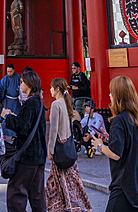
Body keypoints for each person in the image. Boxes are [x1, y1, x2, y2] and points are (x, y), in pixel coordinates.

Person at [84, 76, 138, 212]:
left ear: (118, 96)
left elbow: (116, 154)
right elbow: (128, 142)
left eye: (112, 92)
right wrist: (108, 139)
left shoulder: (119, 120)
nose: (109, 95)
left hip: (126, 186)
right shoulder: (137, 115)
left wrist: (99, 145)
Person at [2, 69, 47, 212]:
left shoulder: (29, 104)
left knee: (17, 193)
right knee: (37, 194)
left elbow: (21, 127)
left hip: (27, 155)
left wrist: (7, 117)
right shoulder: (39, 103)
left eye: (22, 82)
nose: (20, 84)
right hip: (39, 156)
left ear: (29, 83)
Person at [45, 78, 90, 211]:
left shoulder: (55, 104)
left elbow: (53, 130)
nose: (50, 90)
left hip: (59, 146)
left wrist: (50, 149)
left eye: (52, 87)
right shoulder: (66, 102)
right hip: (68, 145)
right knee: (72, 179)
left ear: (57, 89)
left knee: (59, 180)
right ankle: (78, 203)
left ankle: (63, 205)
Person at [0, 64, 22, 140]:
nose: (9, 73)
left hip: (17, 101)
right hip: (8, 100)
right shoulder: (5, 79)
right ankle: (5, 133)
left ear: (14, 70)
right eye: (8, 71)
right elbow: (1, 89)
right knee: (7, 116)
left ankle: (15, 134)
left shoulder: (18, 77)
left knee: (16, 116)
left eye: (11, 71)